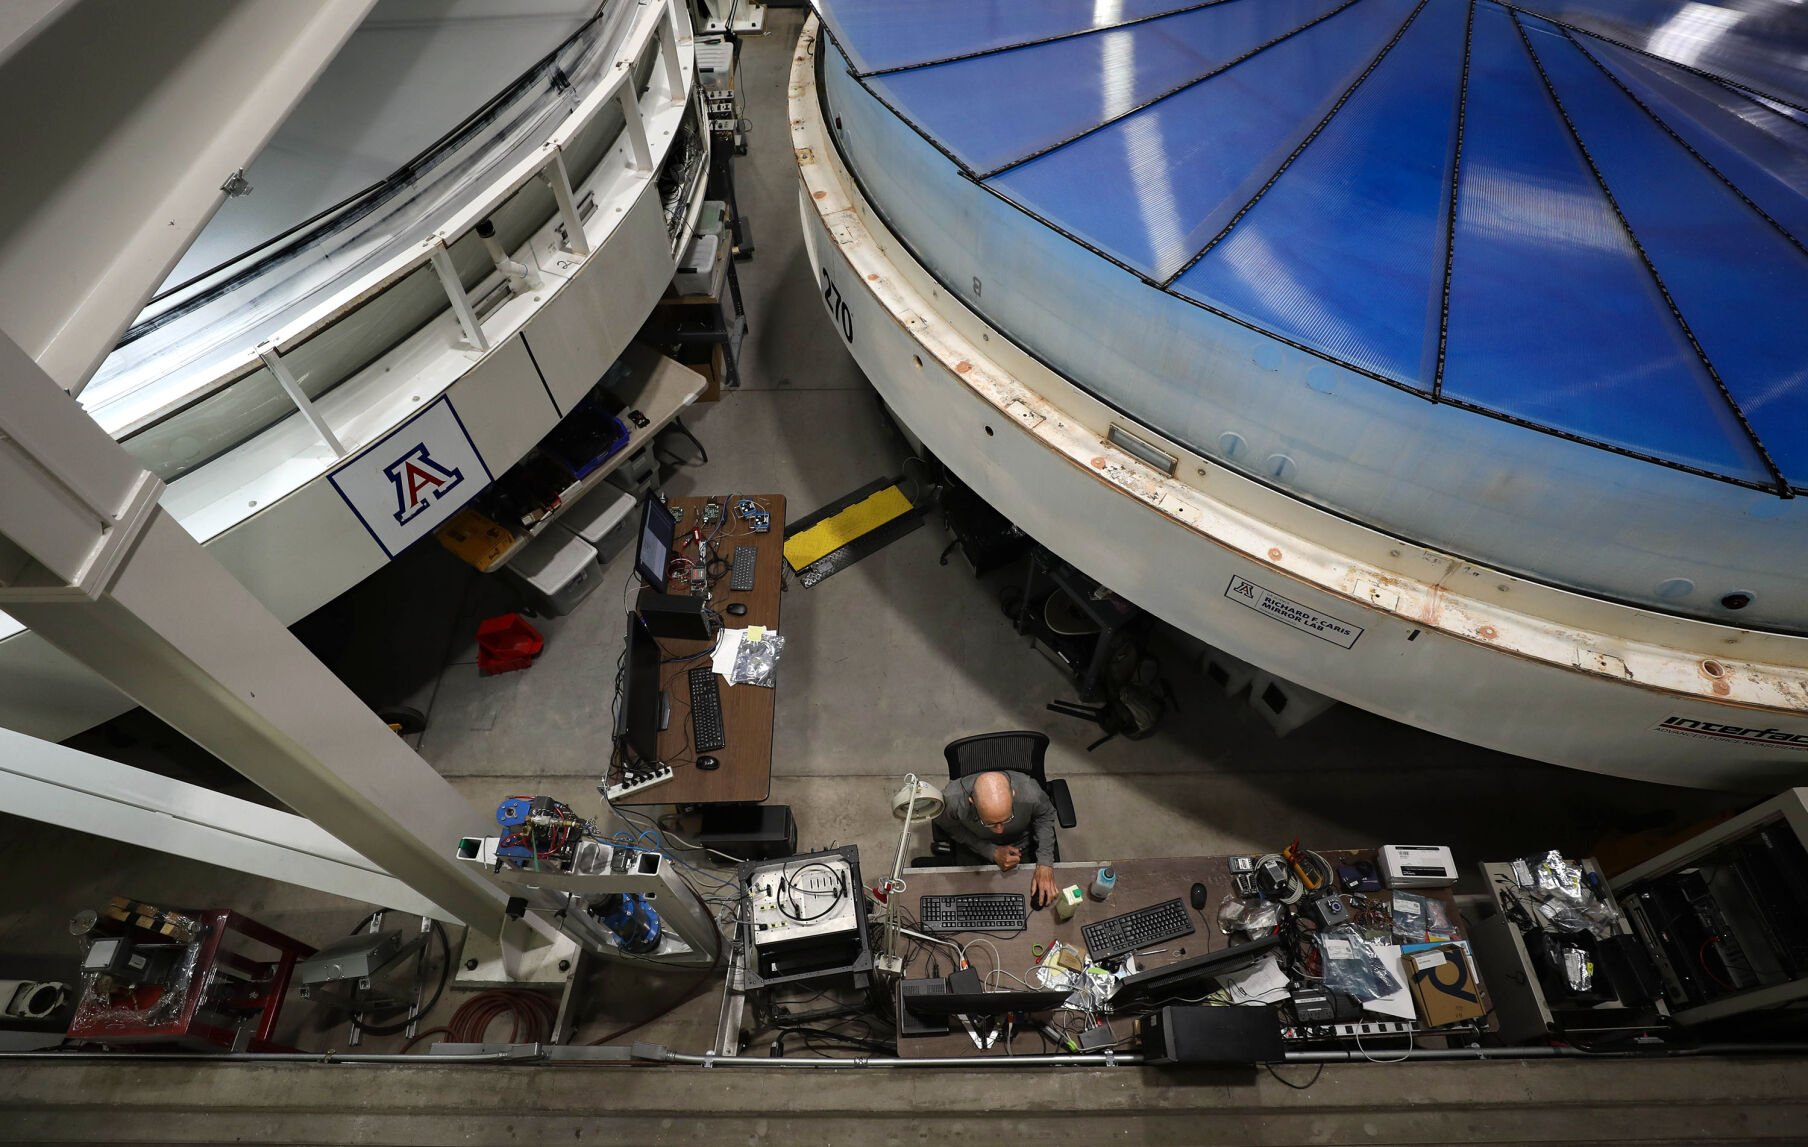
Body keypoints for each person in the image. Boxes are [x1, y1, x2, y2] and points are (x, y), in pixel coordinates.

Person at [933, 770, 1059, 908]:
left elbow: (1045, 816)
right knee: (970, 901)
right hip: (976, 845)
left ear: (1013, 794)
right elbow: (949, 826)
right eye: (990, 823)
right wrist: (989, 850)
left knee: (1031, 897)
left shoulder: (1030, 792)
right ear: (972, 802)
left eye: (1006, 819)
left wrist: (1045, 862)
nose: (1000, 831)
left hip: (1023, 843)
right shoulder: (951, 800)